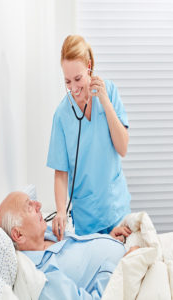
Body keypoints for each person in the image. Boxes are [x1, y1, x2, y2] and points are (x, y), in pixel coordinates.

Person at [47, 34, 131, 240]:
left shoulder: (109, 92)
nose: (73, 88)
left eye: (78, 79)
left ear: (89, 67)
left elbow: (123, 148)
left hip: (116, 208)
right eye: (67, 81)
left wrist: (104, 100)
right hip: (87, 218)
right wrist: (60, 211)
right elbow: (60, 172)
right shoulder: (61, 116)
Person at [0, 191, 138, 300]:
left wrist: (107, 239)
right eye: (30, 207)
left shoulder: (49, 234)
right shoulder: (44, 278)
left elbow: (82, 253)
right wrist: (126, 266)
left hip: (128, 247)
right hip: (131, 276)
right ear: (18, 235)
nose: (38, 205)